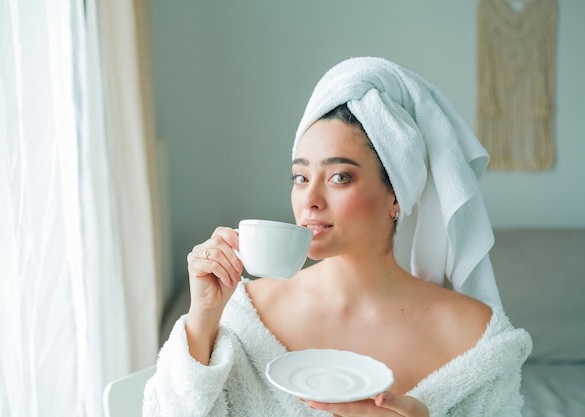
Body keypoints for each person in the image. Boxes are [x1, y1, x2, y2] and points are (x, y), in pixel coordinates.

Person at [143, 57, 532, 417]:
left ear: (395, 194)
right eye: (300, 177)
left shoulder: (476, 337)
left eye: (339, 177)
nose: (309, 199)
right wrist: (203, 318)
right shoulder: (244, 314)